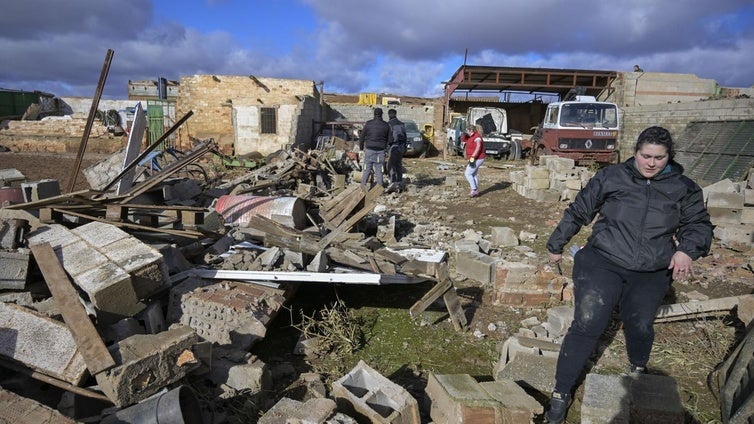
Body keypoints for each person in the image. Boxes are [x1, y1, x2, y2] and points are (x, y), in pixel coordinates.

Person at [543, 126, 713, 424]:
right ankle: (560, 393)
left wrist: (686, 250)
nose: (651, 163)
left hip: (651, 268)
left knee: (640, 323)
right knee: (589, 322)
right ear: (635, 153)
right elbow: (579, 210)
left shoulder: (683, 187)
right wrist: (556, 244)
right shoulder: (612, 177)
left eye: (659, 158)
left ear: (669, 157)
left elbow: (698, 224)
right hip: (603, 260)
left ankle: (638, 368)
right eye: (646, 156)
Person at [359, 107, 391, 190]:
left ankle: (363, 186)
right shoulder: (386, 125)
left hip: (369, 151)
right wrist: (386, 148)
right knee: (379, 169)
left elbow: (362, 137)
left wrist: (361, 148)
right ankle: (379, 188)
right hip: (380, 151)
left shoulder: (368, 124)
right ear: (382, 114)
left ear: (374, 114)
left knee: (367, 168)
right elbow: (390, 139)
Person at [460, 124, 486, 197]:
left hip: (478, 158)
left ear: (471, 130)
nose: (466, 132)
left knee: (467, 173)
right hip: (476, 158)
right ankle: (475, 191)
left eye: (467, 131)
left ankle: (474, 189)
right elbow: (463, 139)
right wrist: (464, 135)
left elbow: (478, 147)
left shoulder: (477, 137)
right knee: (473, 174)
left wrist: (473, 157)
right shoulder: (470, 137)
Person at [386, 109, 407, 193]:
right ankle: (399, 181)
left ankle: (393, 182)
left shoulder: (389, 124)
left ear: (389, 115)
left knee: (391, 165)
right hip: (401, 146)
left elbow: (390, 138)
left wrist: (387, 146)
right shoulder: (402, 124)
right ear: (395, 114)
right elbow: (405, 136)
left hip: (393, 146)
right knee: (398, 164)